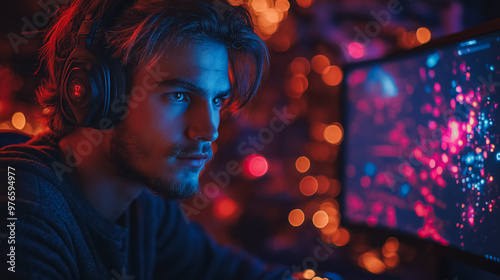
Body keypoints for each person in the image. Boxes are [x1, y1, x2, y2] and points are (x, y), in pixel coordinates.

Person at [0, 0, 291, 279]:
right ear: (97, 91)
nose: (209, 130)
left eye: (216, 100)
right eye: (180, 96)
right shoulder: (24, 206)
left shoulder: (147, 209)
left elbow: (234, 273)